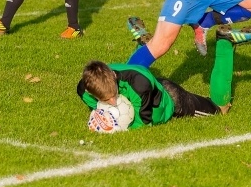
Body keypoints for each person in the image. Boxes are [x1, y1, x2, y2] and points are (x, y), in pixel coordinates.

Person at [78, 32, 242, 131]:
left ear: (113, 76)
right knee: (134, 74)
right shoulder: (84, 89)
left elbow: (143, 123)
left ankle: (225, 41)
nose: (113, 102)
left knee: (219, 111)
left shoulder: (139, 83)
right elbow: (98, 107)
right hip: (142, 84)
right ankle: (143, 44)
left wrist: (117, 129)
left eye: (114, 95)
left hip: (172, 99)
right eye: (106, 100)